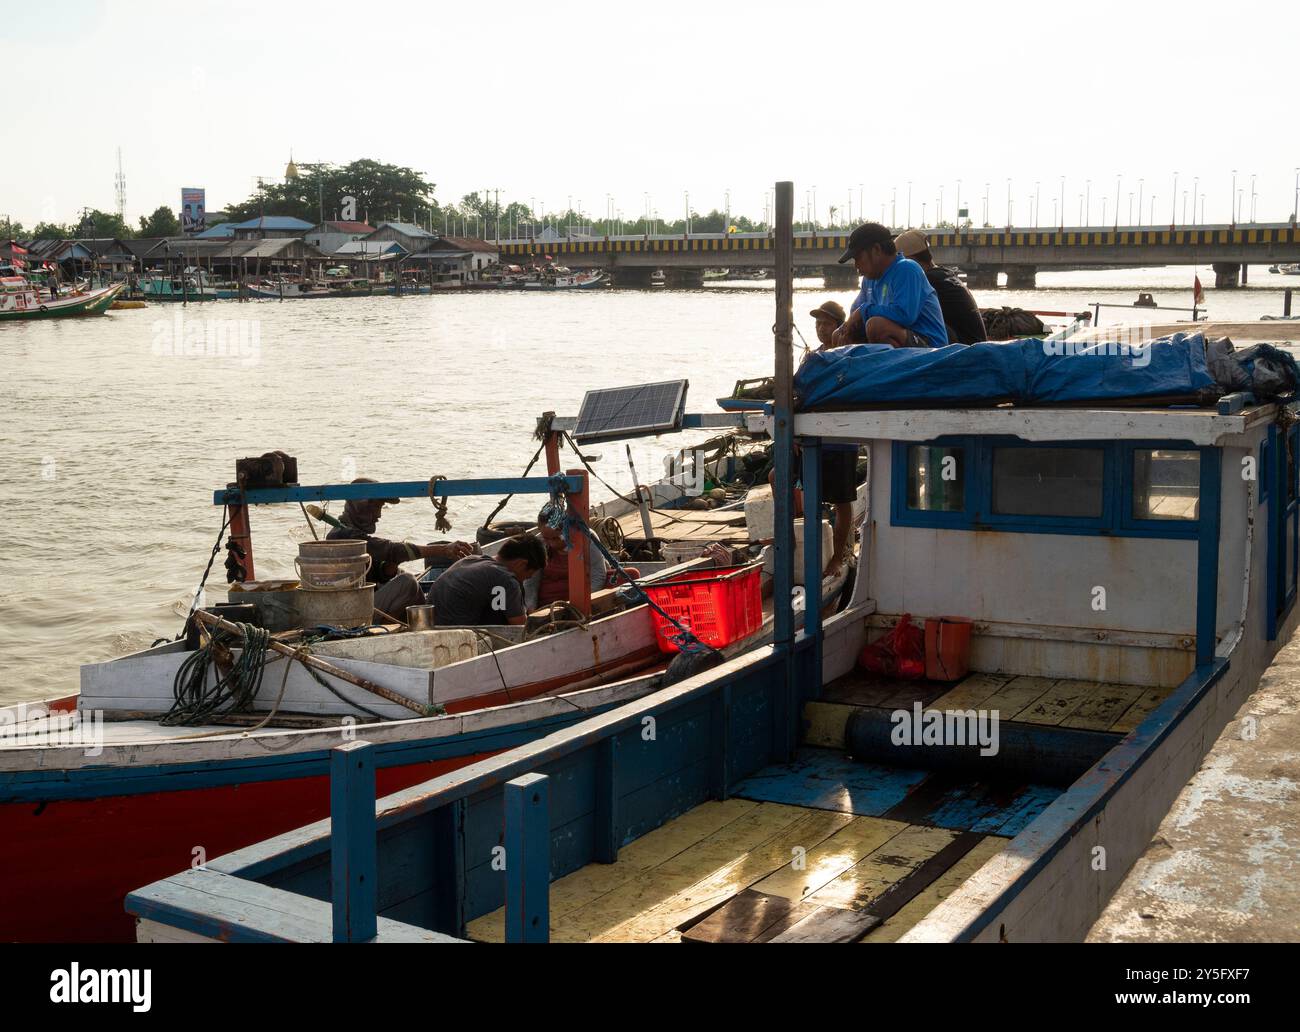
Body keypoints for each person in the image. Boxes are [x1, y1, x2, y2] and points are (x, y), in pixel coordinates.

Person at [325, 477, 473, 619]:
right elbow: (391, 550)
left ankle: (426, 620)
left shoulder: (350, 532)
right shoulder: (342, 535)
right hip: (347, 612)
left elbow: (374, 571)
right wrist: (443, 550)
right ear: (360, 507)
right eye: (377, 507)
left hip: (359, 603)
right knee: (407, 582)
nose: (379, 515)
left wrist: (389, 569)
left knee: (401, 574)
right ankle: (407, 627)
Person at [803, 300, 861, 576]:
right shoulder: (812, 358)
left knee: (842, 501)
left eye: (826, 323)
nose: (820, 328)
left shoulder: (850, 356)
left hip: (841, 438)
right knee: (779, 479)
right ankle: (798, 543)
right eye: (817, 323)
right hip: (814, 436)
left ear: (840, 327)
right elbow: (800, 394)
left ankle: (837, 557)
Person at [831, 222, 948, 350]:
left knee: (876, 327)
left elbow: (904, 316)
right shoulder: (869, 279)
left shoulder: (907, 269)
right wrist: (846, 330)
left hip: (930, 347)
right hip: (904, 343)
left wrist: (863, 311)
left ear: (876, 250)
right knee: (837, 335)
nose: (856, 265)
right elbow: (855, 313)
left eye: (858, 257)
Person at [428, 535, 548, 627]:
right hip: (461, 637)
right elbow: (521, 627)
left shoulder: (470, 560)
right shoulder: (505, 579)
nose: (525, 579)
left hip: (434, 627)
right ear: (522, 564)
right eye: (528, 575)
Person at [893, 229, 987, 345]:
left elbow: (902, 314)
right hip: (973, 345)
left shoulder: (928, 280)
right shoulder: (942, 274)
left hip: (963, 351)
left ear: (910, 261)